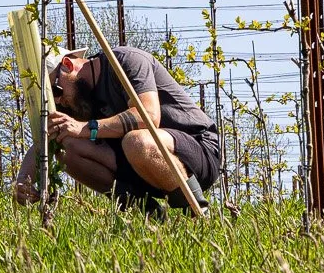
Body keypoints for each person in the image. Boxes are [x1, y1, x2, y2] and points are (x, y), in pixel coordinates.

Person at [12, 45, 220, 213]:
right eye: (52, 99)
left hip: (196, 151)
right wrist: (24, 180)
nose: (59, 101)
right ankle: (149, 216)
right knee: (67, 147)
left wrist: (86, 128)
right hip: (141, 165)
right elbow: (49, 137)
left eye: (56, 91)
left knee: (136, 141)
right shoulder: (79, 100)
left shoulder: (125, 61)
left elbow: (148, 116)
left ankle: (197, 212)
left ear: (67, 65)